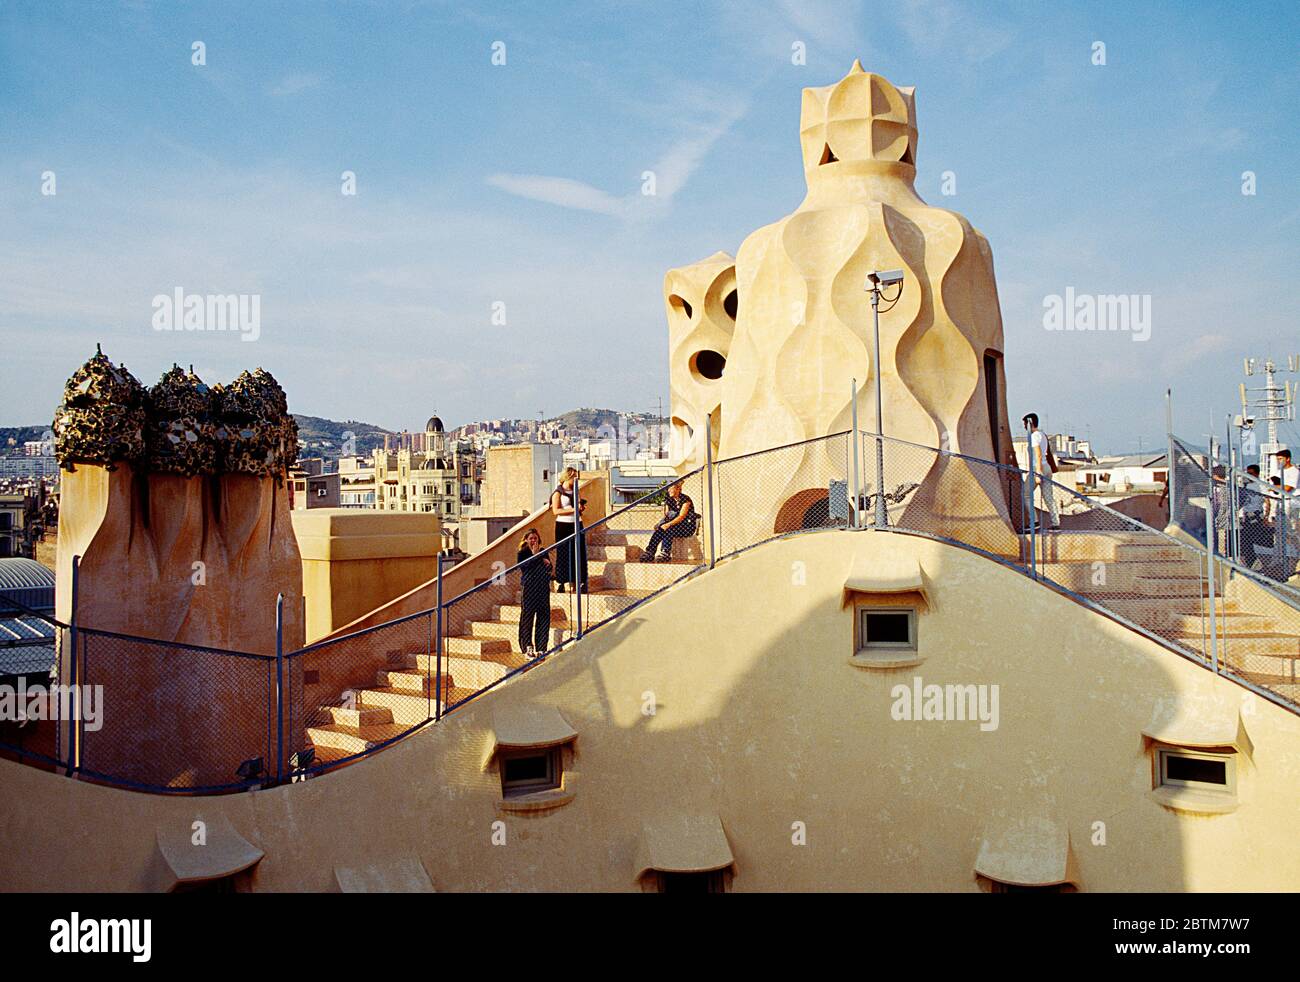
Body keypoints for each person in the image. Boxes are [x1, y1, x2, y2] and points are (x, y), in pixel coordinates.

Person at [550, 467, 588, 593]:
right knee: (563, 554)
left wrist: (580, 508)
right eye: (574, 477)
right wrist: (573, 510)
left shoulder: (576, 490)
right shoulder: (558, 492)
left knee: (579, 553)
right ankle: (561, 582)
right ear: (568, 477)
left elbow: (577, 505)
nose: (577, 479)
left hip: (577, 524)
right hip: (563, 525)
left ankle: (578, 582)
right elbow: (556, 510)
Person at [516, 528, 553, 657]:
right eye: (531, 538)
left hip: (542, 588)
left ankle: (542, 647)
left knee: (543, 617)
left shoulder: (543, 552)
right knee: (527, 618)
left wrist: (545, 562)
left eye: (535, 538)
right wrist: (535, 556)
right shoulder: (523, 553)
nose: (533, 540)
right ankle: (527, 647)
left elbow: (549, 567)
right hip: (529, 588)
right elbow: (525, 568)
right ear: (526, 540)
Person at [641, 480, 697, 563]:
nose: (669, 490)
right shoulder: (669, 500)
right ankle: (650, 552)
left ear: (678, 489)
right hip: (674, 526)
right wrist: (660, 524)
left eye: (671, 488)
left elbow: (681, 516)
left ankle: (665, 553)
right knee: (660, 529)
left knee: (669, 529)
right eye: (668, 489)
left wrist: (668, 525)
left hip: (687, 527)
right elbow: (667, 516)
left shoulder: (686, 500)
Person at [1022, 412, 1059, 530]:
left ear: (1029, 423)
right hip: (1047, 467)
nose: (1023, 427)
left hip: (1038, 468)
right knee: (1048, 497)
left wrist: (1037, 473)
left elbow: (1037, 455)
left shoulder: (1034, 436)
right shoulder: (1042, 435)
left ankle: (1035, 522)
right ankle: (1055, 522)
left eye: (1024, 424)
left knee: (1026, 494)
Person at [1238, 464, 1270, 568]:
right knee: (1245, 540)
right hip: (1246, 515)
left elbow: (1267, 501)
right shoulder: (1246, 485)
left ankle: (1256, 562)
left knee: (1253, 539)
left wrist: (1266, 517)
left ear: (1257, 474)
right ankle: (1250, 562)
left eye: (1251, 473)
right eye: (1248, 473)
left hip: (1256, 515)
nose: (1249, 475)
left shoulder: (1261, 485)